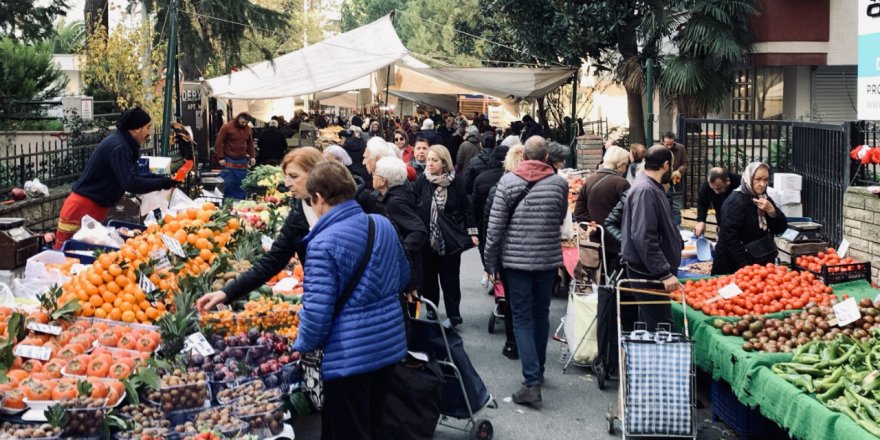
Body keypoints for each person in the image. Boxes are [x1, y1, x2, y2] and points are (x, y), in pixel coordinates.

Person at [298, 162, 409, 440]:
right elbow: (403, 276)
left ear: (319, 198)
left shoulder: (322, 244)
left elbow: (316, 314)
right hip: (388, 345)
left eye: (310, 201)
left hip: (348, 357)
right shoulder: (381, 224)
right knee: (373, 423)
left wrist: (301, 346)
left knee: (348, 430)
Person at [483, 136, 568, 404]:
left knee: (521, 317)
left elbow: (495, 227)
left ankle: (531, 381)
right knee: (541, 314)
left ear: (523, 156)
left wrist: (490, 263)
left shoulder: (507, 182)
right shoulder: (559, 184)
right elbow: (560, 216)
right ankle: (538, 371)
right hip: (546, 259)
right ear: (546, 158)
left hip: (516, 261)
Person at [197, 148, 324, 310]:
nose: (287, 184)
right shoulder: (299, 213)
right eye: (286, 177)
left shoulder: (344, 208)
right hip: (318, 299)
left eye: (294, 176)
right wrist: (227, 292)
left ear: (315, 174)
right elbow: (273, 259)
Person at [54, 108, 177, 249]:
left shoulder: (123, 144)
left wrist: (162, 179)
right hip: (81, 209)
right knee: (66, 254)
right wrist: (161, 183)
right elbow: (130, 182)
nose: (150, 132)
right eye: (148, 127)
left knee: (84, 253)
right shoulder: (119, 147)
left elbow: (134, 174)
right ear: (137, 129)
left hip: (92, 208)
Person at [413, 145, 477, 327]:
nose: (430, 163)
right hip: (427, 239)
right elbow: (414, 205)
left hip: (449, 238)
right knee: (429, 278)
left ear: (444, 162)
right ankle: (432, 310)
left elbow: (466, 207)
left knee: (451, 279)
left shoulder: (456, 181)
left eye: (434, 160)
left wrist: (472, 232)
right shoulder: (422, 180)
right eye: (428, 160)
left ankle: (454, 314)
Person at [621, 146, 682, 331]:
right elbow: (644, 237)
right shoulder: (646, 190)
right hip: (648, 272)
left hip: (647, 270)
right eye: (671, 166)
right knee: (661, 328)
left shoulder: (649, 186)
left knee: (651, 326)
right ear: (666, 165)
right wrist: (664, 273)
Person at [478, 144, 522, 359]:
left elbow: (491, 227)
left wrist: (490, 263)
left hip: (508, 255)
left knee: (512, 300)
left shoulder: (499, 188)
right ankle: (529, 343)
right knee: (534, 304)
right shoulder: (550, 185)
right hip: (539, 257)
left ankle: (513, 343)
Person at [712, 162, 788, 275]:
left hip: (758, 260)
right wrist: (746, 269)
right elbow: (730, 238)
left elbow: (780, 228)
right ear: (749, 178)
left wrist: (772, 211)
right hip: (733, 266)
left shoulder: (764, 198)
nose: (762, 184)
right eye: (758, 179)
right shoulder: (735, 201)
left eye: (766, 180)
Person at [373, 157, 427, 305]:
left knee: (408, 309)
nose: (372, 176)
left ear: (383, 181)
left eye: (375, 174)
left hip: (406, 266)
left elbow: (418, 231)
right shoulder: (399, 194)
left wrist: (399, 250)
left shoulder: (394, 202)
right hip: (409, 264)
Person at [574, 146, 631, 260]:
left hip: (596, 241)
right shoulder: (622, 184)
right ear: (620, 165)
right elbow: (630, 213)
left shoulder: (589, 180)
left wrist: (592, 226)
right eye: (626, 164)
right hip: (617, 241)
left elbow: (579, 211)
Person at [215, 112, 256, 200]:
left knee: (242, 183)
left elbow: (250, 143)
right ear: (238, 118)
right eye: (243, 122)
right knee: (229, 183)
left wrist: (252, 156)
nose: (244, 124)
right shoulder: (227, 127)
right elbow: (218, 142)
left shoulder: (248, 129)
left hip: (242, 160)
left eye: (246, 123)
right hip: (229, 159)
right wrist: (221, 157)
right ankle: (228, 202)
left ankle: (240, 202)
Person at [695, 168, 742, 237]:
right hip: (722, 227)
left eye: (718, 188)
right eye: (713, 189)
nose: (716, 192)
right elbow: (702, 204)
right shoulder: (706, 186)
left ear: (727, 181)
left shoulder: (740, 182)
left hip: (741, 226)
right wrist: (701, 221)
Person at [661, 132, 688, 225]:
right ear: (662, 142)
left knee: (677, 208)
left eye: (671, 144)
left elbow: (685, 163)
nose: (669, 147)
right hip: (663, 182)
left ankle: (676, 228)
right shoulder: (658, 149)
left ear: (674, 141)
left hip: (676, 182)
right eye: (667, 144)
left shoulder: (680, 148)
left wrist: (679, 171)